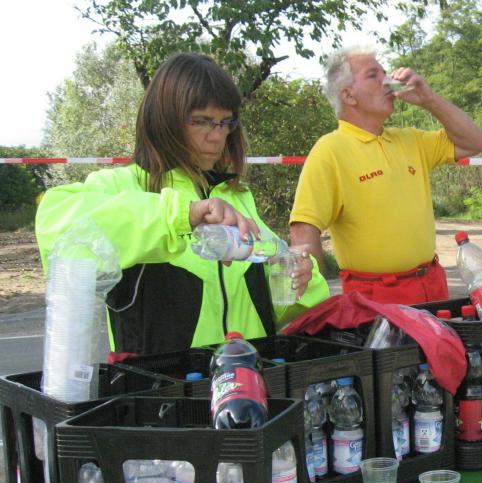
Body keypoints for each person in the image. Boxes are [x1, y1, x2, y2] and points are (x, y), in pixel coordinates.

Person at [36, 53, 329, 355]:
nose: (217, 136)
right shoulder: (123, 185)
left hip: (249, 378)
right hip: (162, 383)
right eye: (202, 121)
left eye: (225, 123)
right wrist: (181, 216)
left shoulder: (238, 196)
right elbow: (55, 225)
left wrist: (299, 278)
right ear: (164, 120)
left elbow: (274, 311)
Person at [289, 45, 482, 304]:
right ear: (348, 95)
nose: (387, 81)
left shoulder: (410, 140)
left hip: (431, 286)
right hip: (375, 298)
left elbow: (475, 142)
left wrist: (429, 99)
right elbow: (304, 227)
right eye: (373, 75)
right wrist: (313, 298)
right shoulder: (330, 150)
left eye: (385, 73)